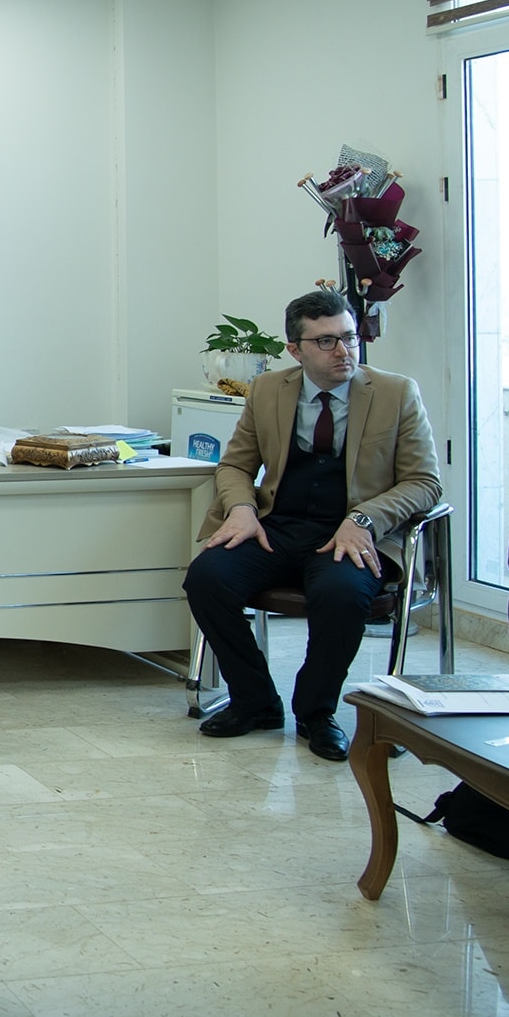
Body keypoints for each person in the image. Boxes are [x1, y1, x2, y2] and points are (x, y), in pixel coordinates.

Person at [182, 289, 441, 761]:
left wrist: (363, 519)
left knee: (341, 594)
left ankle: (316, 712)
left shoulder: (396, 393)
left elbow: (424, 482)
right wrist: (241, 508)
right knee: (207, 578)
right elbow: (235, 465)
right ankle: (255, 701)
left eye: (349, 337)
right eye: (326, 341)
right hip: (277, 526)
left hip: (352, 532)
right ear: (295, 350)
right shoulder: (267, 390)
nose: (343, 351)